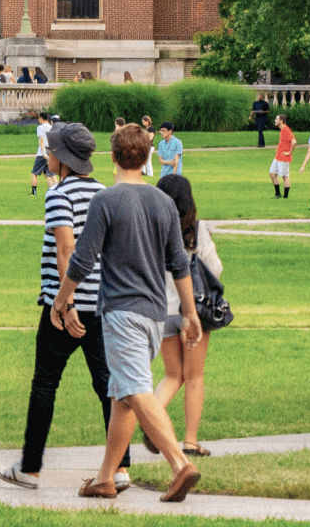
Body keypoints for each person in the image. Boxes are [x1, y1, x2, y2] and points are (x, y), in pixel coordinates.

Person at [55, 123, 202, 503]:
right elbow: (179, 264)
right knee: (122, 395)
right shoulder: (163, 202)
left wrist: (62, 299)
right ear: (149, 156)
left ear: (113, 156)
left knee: (135, 388)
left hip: (121, 312)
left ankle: (179, 463)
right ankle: (106, 477)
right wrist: (189, 313)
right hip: (155, 314)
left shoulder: (106, 201)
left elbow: (82, 259)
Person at [0, 121, 132, 492]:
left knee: (45, 383)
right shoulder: (106, 193)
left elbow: (66, 249)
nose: (47, 154)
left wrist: (64, 302)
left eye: (51, 150)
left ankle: (31, 466)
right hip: (102, 305)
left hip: (64, 305)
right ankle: (120, 466)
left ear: (64, 158)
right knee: (108, 384)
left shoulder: (58, 195)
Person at [151, 174, 220, 460]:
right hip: (194, 311)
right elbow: (214, 268)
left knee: (171, 375)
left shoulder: (151, 230)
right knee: (194, 377)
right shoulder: (196, 230)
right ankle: (190, 441)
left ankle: (150, 419)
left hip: (162, 311)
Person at [269, 114, 295, 199]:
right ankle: (278, 194)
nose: (275, 120)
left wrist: (289, 152)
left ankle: (285, 197)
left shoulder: (286, 130)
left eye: (277, 119)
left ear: (281, 121)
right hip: (278, 156)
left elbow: (294, 142)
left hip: (284, 157)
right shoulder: (282, 130)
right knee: (272, 173)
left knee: (285, 176)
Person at [29, 114, 55, 196]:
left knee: (34, 173)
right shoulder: (52, 127)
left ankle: (34, 192)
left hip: (42, 153)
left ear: (41, 119)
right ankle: (52, 192)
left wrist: (43, 153)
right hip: (50, 152)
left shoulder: (40, 128)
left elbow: (41, 140)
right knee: (48, 174)